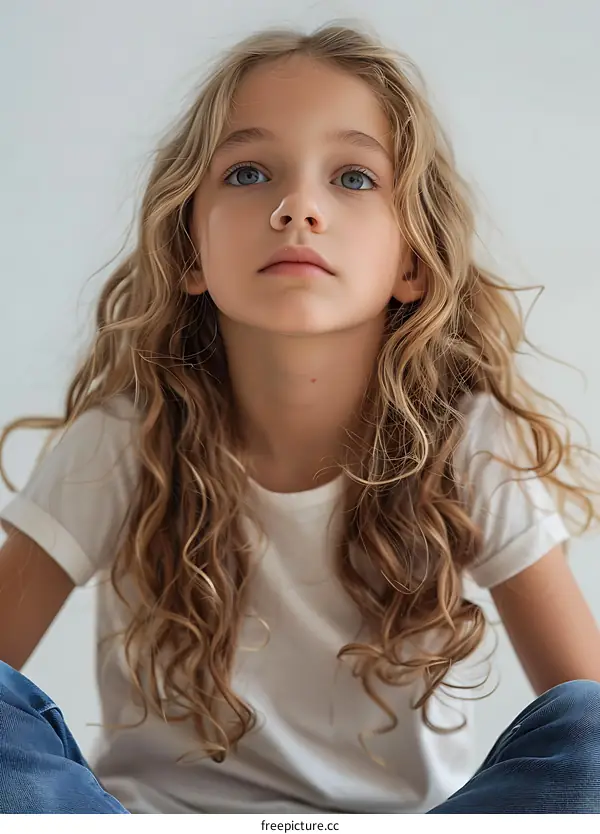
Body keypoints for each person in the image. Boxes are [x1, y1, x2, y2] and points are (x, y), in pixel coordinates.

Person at [1, 22, 600, 816]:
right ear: (189, 251)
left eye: (353, 179)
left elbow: (580, 711)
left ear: (412, 262)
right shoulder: (125, 434)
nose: (297, 208)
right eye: (248, 172)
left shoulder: (466, 438)